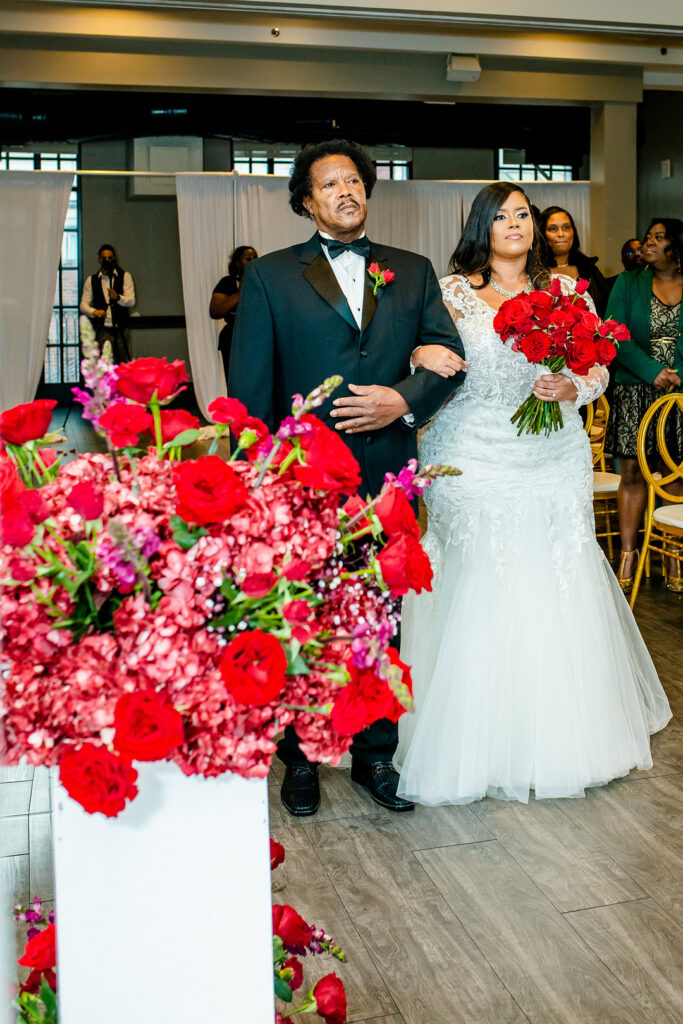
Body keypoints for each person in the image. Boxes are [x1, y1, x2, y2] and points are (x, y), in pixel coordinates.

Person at [394, 181, 671, 806]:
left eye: (524, 214)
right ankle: (471, 737)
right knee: (483, 576)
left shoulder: (567, 290)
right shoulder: (448, 291)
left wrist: (575, 390)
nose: (515, 224)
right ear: (480, 227)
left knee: (554, 576)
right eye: (502, 215)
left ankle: (559, 736)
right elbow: (422, 355)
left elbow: (597, 362)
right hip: (470, 451)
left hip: (551, 452)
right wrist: (422, 350)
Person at [229, 138, 467, 818]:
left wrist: (405, 399)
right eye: (329, 183)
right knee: (300, 619)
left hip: (385, 477)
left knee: (380, 621)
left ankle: (374, 756)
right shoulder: (272, 276)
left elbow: (449, 356)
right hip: (299, 479)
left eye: (355, 181)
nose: (346, 191)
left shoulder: (413, 270)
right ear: (306, 201)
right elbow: (249, 388)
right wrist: (261, 483)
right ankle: (300, 759)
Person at [605, 218, 683, 592]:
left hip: (679, 394)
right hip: (636, 387)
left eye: (657, 238)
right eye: (647, 238)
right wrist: (653, 371)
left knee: (677, 473)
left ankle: (672, 552)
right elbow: (613, 333)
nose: (646, 244)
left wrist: (677, 372)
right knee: (633, 472)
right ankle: (629, 552)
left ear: (677, 247)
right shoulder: (627, 282)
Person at [539, 206, 610, 316]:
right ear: (542, 234)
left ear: (573, 232)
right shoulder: (535, 272)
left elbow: (606, 311)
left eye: (566, 227)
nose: (561, 234)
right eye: (553, 229)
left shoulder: (590, 270)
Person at [209, 246, 258, 385]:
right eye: (248, 258)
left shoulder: (262, 283)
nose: (252, 261)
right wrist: (241, 291)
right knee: (235, 382)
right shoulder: (227, 283)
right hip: (233, 337)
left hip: (257, 337)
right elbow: (215, 311)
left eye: (255, 258)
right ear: (237, 262)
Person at [80, 244, 135, 362]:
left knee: (123, 365)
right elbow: (83, 305)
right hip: (103, 329)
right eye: (104, 258)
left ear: (115, 258)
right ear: (99, 259)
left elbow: (131, 301)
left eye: (110, 258)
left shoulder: (125, 276)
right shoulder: (92, 280)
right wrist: (94, 311)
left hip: (120, 328)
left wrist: (118, 298)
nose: (107, 261)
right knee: (104, 365)